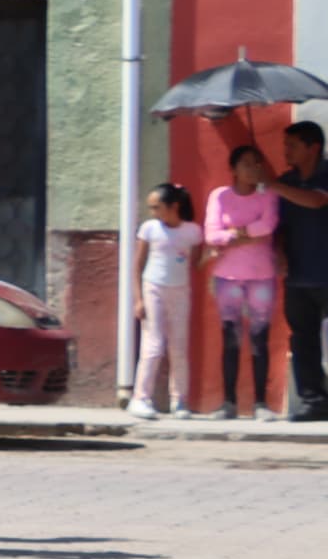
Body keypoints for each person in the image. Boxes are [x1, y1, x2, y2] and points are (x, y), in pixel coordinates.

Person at [205, 143, 281, 419]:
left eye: (257, 163)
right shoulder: (220, 196)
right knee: (231, 338)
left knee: (260, 337)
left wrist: (234, 233)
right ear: (233, 169)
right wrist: (240, 235)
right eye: (247, 163)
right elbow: (212, 234)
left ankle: (261, 403)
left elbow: (268, 226)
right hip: (227, 277)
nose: (253, 168)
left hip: (261, 275)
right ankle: (229, 403)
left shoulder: (268, 195)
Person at [272, 121, 328, 420]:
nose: (286, 151)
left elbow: (317, 200)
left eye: (292, 145)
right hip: (298, 275)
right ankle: (313, 402)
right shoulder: (286, 181)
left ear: (313, 147)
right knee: (302, 338)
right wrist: (278, 251)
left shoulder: (324, 175)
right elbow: (280, 227)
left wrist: (273, 185)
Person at [130, 180, 197, 419]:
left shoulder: (192, 232)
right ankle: (140, 398)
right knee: (153, 345)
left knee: (179, 346)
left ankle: (180, 400)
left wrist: (211, 255)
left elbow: (195, 263)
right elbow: (137, 265)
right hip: (154, 289)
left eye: (157, 207)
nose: (153, 213)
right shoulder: (150, 228)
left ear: (174, 206)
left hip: (180, 291)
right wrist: (138, 299)